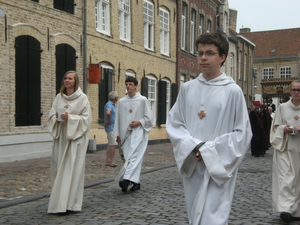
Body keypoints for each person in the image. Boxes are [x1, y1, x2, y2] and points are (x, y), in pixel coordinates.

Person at [166, 32, 252, 225]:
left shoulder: (233, 91)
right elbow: (175, 123)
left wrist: (208, 151)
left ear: (222, 58)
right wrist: (194, 147)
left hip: (218, 165)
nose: (203, 57)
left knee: (213, 216)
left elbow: (242, 133)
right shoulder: (188, 88)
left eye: (210, 53)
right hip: (194, 163)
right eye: (200, 53)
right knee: (194, 212)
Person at [47, 71, 92, 213]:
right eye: (65, 78)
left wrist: (70, 118)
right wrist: (55, 117)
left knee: (72, 171)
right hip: (61, 138)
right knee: (59, 169)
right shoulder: (58, 98)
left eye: (70, 78)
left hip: (75, 140)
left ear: (75, 81)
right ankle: (58, 204)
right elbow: (50, 116)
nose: (67, 80)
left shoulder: (82, 98)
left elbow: (86, 119)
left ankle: (71, 204)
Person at [114, 77, 153, 192]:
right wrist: (117, 134)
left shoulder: (142, 100)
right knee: (128, 157)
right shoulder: (121, 102)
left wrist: (139, 122)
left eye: (131, 84)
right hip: (125, 134)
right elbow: (118, 119)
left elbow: (149, 118)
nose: (128, 86)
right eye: (126, 84)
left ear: (136, 86)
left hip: (139, 132)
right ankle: (136, 182)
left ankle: (126, 180)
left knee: (134, 156)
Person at [271, 80, 300, 223]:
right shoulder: (282, 107)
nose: (296, 92)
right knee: (285, 178)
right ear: (290, 91)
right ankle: (285, 209)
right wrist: (284, 129)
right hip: (284, 147)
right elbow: (275, 128)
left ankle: (296, 210)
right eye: (294, 90)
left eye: (299, 90)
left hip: (299, 148)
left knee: (297, 179)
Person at [104, 91, 119, 167]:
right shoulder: (110, 104)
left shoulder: (113, 105)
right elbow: (108, 112)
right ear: (116, 98)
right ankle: (112, 161)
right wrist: (109, 121)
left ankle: (108, 160)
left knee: (110, 144)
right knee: (113, 144)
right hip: (111, 127)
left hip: (112, 127)